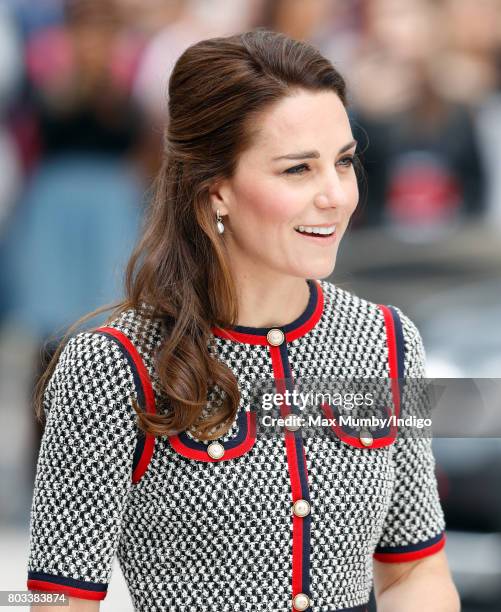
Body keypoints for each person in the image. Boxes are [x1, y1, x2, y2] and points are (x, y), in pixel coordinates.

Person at [26, 29, 460, 612]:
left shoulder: (386, 339)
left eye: (344, 161)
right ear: (215, 191)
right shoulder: (112, 365)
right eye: (297, 170)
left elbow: (414, 572)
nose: (336, 195)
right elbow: (59, 600)